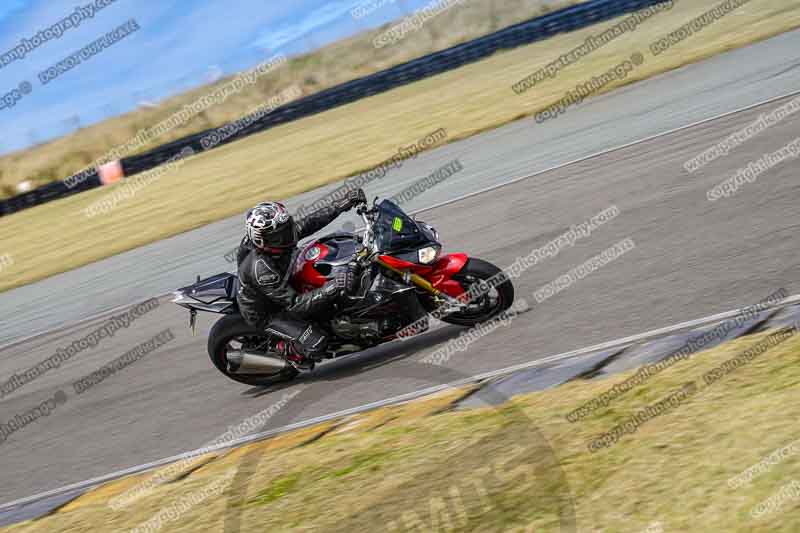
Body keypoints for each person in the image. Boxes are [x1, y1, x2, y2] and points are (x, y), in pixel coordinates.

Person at [236, 189, 366, 368]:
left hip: (284, 280)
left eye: (286, 227)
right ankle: (289, 352)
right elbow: (295, 305)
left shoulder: (276, 237)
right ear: (261, 241)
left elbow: (310, 222)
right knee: (317, 342)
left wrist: (342, 204)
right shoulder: (262, 269)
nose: (288, 235)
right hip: (270, 311)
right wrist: (333, 286)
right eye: (280, 235)